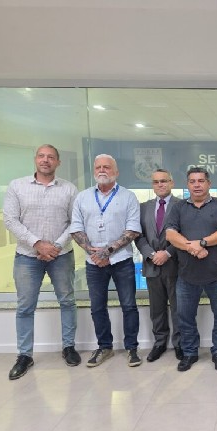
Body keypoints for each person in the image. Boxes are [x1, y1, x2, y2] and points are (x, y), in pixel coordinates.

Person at [3, 144, 79, 380]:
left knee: (67, 301)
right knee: (25, 307)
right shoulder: (17, 186)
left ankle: (69, 347)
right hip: (27, 257)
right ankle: (24, 355)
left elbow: (75, 222)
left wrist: (55, 246)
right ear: (35, 159)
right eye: (42, 156)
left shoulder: (69, 189)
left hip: (61, 255)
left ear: (58, 162)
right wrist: (37, 244)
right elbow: (10, 220)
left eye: (51, 157)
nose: (46, 160)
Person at [70, 154, 142, 368]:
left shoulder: (128, 197)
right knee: (97, 307)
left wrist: (107, 251)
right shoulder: (82, 197)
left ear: (116, 172)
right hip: (93, 263)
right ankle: (104, 347)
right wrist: (93, 252)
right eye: (98, 167)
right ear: (94, 171)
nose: (102, 170)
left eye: (107, 167)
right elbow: (76, 228)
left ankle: (132, 348)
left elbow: (133, 230)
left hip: (122, 260)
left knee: (129, 306)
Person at [165, 167, 217, 372]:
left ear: (208, 184)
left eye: (201, 181)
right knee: (185, 317)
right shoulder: (178, 207)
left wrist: (202, 243)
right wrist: (193, 248)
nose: (196, 185)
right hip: (186, 274)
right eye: (192, 181)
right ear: (187, 185)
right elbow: (170, 235)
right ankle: (189, 353)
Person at [134, 169, 182, 362]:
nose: (160, 184)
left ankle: (179, 344)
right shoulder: (143, 207)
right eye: (156, 182)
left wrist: (168, 252)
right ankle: (160, 343)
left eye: (164, 181)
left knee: (179, 308)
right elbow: (138, 236)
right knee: (157, 309)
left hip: (176, 265)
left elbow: (186, 234)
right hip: (152, 265)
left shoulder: (182, 205)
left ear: (172, 183)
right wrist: (152, 254)